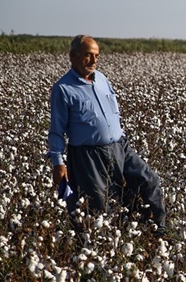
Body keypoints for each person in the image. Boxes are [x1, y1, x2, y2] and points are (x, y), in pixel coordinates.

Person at [47, 35, 166, 238]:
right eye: (88, 55)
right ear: (73, 56)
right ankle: (99, 245)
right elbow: (56, 129)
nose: (93, 61)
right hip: (88, 155)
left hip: (120, 147)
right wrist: (58, 163)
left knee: (149, 181)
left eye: (96, 56)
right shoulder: (63, 89)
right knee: (98, 203)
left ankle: (156, 234)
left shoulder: (101, 79)